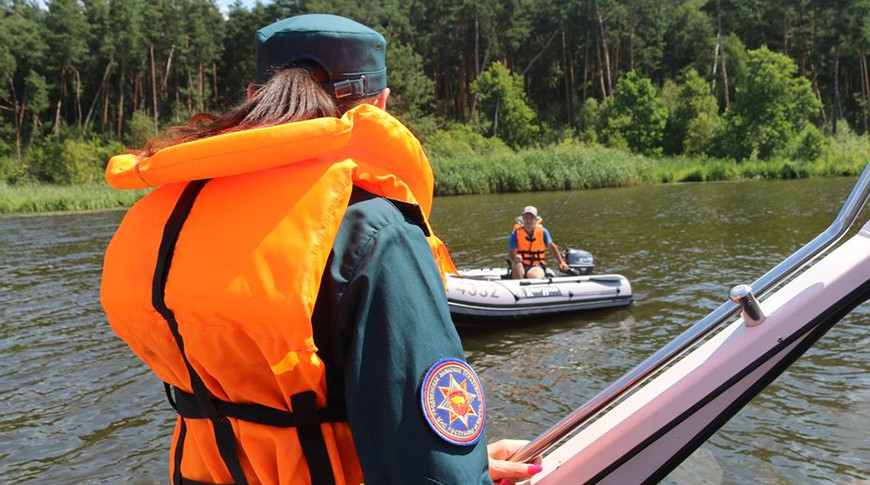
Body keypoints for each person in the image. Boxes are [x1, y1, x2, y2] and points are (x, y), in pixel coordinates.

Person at [100, 14, 541, 485]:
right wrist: (464, 469)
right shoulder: (372, 230)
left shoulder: (161, 215)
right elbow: (433, 474)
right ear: (381, 104)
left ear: (255, 96)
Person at [509, 206, 570, 279]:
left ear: (536, 219)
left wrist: (561, 262)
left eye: (531, 218)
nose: (528, 220)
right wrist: (515, 257)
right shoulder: (515, 233)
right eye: (526, 218)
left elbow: (552, 247)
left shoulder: (543, 231)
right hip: (521, 264)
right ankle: (518, 283)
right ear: (523, 219)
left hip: (536, 265)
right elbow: (512, 254)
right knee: (516, 265)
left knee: (536, 276)